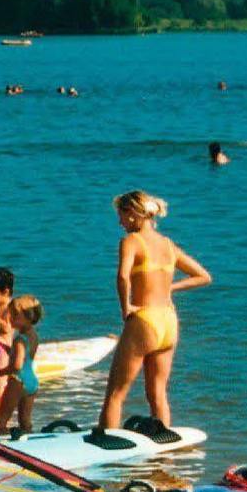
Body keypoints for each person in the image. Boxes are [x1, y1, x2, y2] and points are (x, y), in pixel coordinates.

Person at [95, 190, 211, 444]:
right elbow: (204, 276)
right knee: (158, 393)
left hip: (145, 319)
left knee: (115, 393)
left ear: (134, 214)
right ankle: (163, 456)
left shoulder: (132, 241)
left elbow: (123, 276)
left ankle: (104, 449)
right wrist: (170, 287)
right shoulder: (168, 244)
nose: (120, 223)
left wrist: (125, 307)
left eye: (121, 216)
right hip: (169, 321)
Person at [0, 295, 43, 436]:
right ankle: (29, 447)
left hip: (18, 382)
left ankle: (5, 450)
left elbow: (17, 366)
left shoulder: (19, 339)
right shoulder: (33, 335)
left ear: (28, 317)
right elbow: (25, 358)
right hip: (32, 382)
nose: (10, 318)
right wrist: (6, 347)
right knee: (25, 423)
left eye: (15, 315)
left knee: (0, 424)